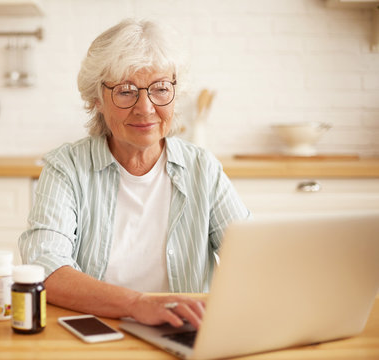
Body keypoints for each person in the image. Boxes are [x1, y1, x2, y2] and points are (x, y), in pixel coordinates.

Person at [19, 18, 250, 329]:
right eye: (126, 91)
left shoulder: (203, 169)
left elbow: (253, 259)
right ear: (95, 100)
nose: (146, 107)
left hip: (182, 332)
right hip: (96, 331)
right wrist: (138, 304)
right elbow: (46, 269)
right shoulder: (67, 167)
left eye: (160, 89)